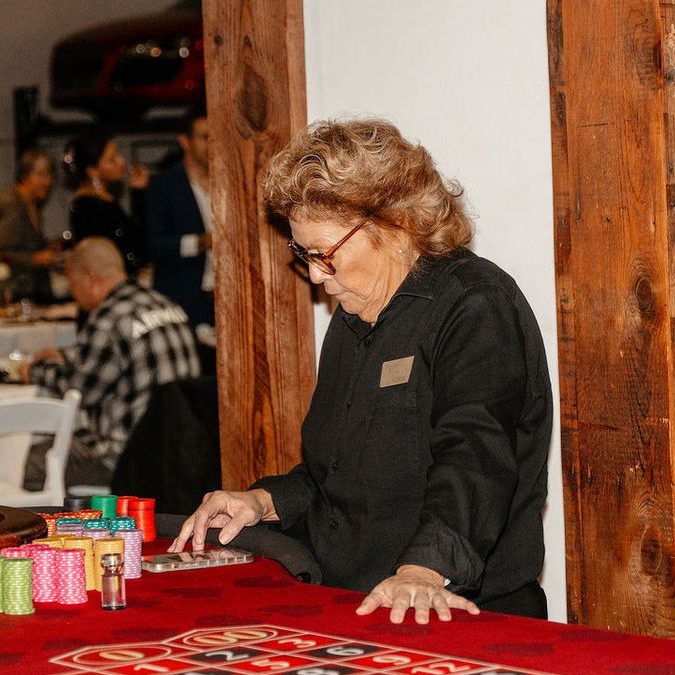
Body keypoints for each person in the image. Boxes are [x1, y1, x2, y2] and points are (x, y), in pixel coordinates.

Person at [173, 118, 553, 624]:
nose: (314, 275)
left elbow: (475, 459)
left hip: (452, 611)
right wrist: (263, 502)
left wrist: (423, 571)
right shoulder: (353, 318)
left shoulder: (475, 306)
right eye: (303, 256)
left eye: (325, 255)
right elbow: (339, 474)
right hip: (355, 604)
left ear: (395, 226)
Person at [26, 237, 201, 488]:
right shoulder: (166, 305)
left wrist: (36, 371)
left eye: (73, 284)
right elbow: (124, 356)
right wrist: (65, 356)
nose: (74, 294)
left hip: (126, 459)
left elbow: (78, 392)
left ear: (90, 277)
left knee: (30, 462)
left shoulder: (107, 318)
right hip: (179, 452)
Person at [146, 106, 216, 328]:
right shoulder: (163, 185)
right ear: (185, 142)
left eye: (215, 137)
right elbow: (153, 244)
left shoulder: (227, 182)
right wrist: (199, 242)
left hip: (223, 293)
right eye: (205, 137)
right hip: (182, 296)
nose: (212, 144)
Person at [65, 127, 148, 277]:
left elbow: (137, 241)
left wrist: (138, 192)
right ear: (92, 170)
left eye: (118, 154)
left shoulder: (105, 199)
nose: (121, 161)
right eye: (112, 159)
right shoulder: (86, 207)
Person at [0, 148, 62, 302]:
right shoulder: (13, 206)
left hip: (31, 291)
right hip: (17, 293)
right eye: (41, 175)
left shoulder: (30, 205)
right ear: (25, 176)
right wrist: (35, 259)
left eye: (50, 175)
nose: (48, 182)